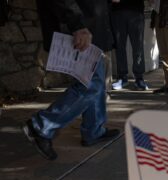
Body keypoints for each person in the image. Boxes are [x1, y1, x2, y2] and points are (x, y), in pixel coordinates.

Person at [23, 0, 120, 160]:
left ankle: (93, 130)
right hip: (79, 28)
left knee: (95, 81)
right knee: (90, 85)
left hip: (90, 27)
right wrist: (77, 25)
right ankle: (41, 126)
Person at [110, 0, 149, 91]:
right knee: (119, 46)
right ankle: (122, 77)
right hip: (117, 10)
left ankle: (139, 78)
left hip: (136, 10)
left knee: (138, 47)